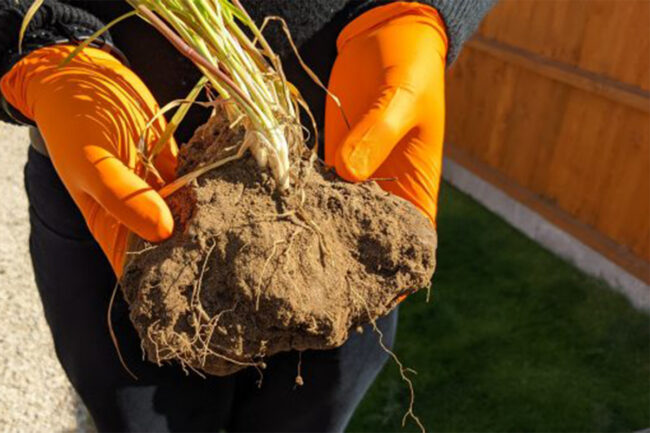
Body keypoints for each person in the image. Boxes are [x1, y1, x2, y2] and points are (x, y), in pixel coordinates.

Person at [0, 1, 495, 431]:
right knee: (136, 417)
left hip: (338, 207)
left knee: (309, 414)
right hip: (111, 175)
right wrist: (40, 41)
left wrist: (421, 9)